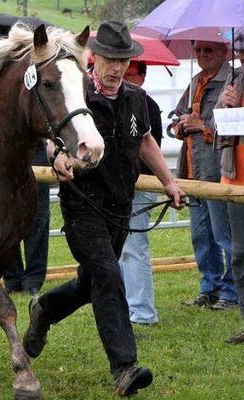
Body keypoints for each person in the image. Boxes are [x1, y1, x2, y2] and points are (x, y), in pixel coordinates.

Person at [22, 21, 184, 397]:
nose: (116, 68)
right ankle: (124, 367)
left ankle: (44, 309)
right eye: (110, 59)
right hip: (83, 205)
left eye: (122, 60)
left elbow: (145, 143)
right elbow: (52, 132)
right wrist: (56, 155)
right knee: (109, 275)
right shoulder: (79, 95)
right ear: (95, 58)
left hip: (120, 206)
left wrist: (169, 181)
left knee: (93, 282)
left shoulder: (135, 99)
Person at [172, 41, 239, 310]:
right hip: (192, 169)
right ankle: (209, 287)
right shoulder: (196, 80)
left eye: (207, 50)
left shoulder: (233, 81)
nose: (201, 55)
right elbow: (176, 118)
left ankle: (231, 292)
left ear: (225, 52)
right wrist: (181, 125)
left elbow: (235, 124)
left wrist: (201, 124)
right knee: (201, 235)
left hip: (219, 170)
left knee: (225, 236)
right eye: (198, 50)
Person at [118, 60, 162, 325]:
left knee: (134, 248)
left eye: (129, 73)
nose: (123, 77)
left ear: (142, 77)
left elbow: (146, 145)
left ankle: (143, 311)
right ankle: (130, 306)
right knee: (124, 249)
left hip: (140, 183)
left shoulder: (147, 105)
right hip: (123, 186)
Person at [216, 28, 244, 344]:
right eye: (239, 50)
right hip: (232, 178)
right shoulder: (232, 80)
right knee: (239, 255)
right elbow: (216, 129)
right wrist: (225, 106)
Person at [3, 142, 50, 296]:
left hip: (35, 146)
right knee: (7, 218)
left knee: (38, 217)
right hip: (5, 147)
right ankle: (12, 279)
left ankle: (33, 280)